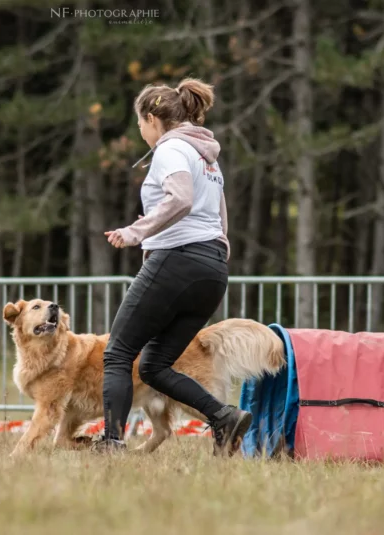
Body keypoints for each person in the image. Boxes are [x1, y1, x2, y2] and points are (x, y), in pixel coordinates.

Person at [95, 77, 252, 455]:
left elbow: (181, 198)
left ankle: (112, 444)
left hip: (178, 261)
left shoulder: (170, 148)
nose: (141, 132)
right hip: (212, 269)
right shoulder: (206, 156)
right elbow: (218, 214)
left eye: (140, 125)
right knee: (154, 365)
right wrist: (215, 249)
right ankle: (224, 418)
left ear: (152, 118)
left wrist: (137, 231)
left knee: (118, 353)